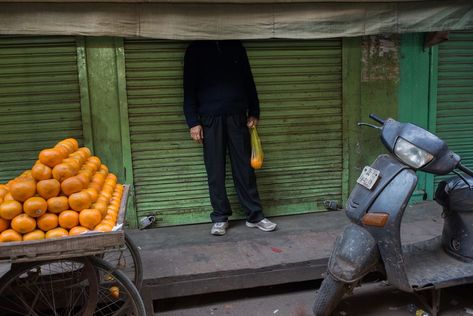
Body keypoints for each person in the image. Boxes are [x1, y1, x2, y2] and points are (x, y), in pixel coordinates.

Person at [183, 40, 277, 236]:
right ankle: (219, 217)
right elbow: (188, 86)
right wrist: (193, 122)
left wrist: (254, 112)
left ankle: (255, 215)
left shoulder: (236, 47)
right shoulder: (195, 49)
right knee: (215, 170)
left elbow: (248, 80)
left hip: (237, 117)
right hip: (209, 119)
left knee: (244, 168)